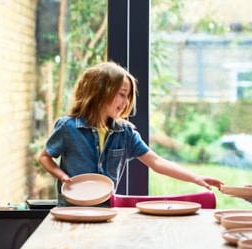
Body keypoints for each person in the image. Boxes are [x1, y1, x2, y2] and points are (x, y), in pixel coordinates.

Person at [38, 61, 224, 206]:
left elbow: (156, 162)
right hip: (70, 210)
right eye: (122, 94)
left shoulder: (124, 132)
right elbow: (45, 157)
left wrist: (196, 177)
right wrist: (62, 176)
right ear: (100, 92)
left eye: (128, 96)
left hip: (107, 211)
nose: (126, 102)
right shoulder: (68, 127)